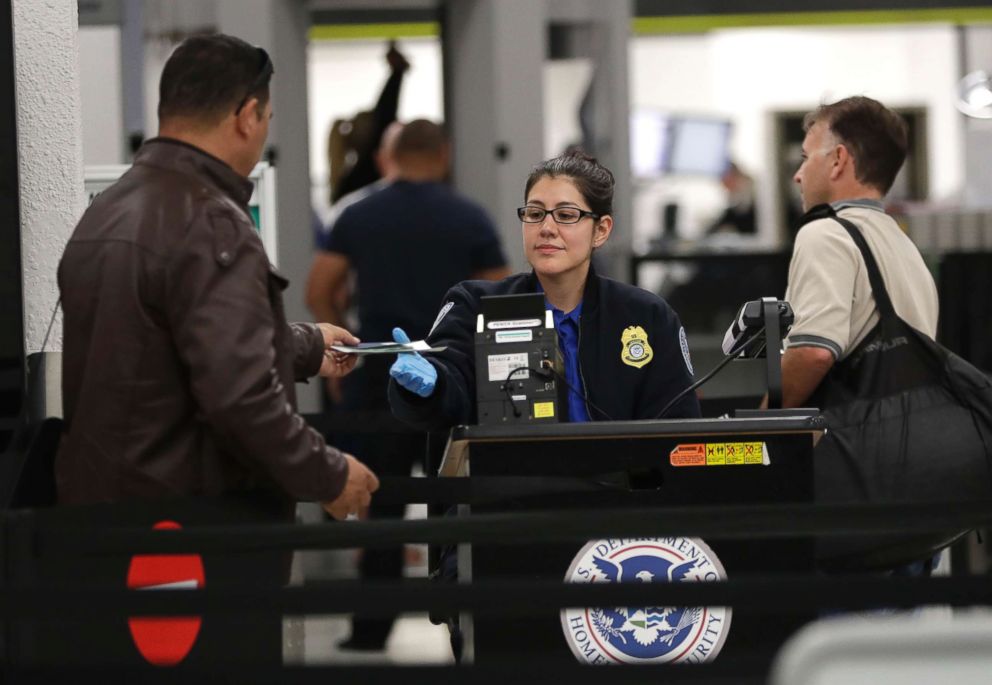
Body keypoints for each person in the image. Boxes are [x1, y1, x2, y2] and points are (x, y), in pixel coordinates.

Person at [56, 34, 379, 520]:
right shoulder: (210, 222)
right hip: (189, 527)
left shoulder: (106, 211)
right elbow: (240, 396)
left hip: (105, 519)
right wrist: (329, 475)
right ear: (247, 115)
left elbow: (165, 344)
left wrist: (307, 346)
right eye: (267, 121)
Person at [313, 118, 510, 651]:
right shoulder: (468, 217)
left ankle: (369, 633)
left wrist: (345, 350)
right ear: (443, 156)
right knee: (458, 499)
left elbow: (320, 290)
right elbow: (501, 300)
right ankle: (472, 627)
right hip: (456, 377)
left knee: (383, 502)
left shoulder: (357, 214)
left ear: (389, 156)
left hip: (380, 375)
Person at [389, 149, 701, 431]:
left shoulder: (646, 315)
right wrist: (432, 385)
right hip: (511, 488)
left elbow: (678, 423)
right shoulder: (475, 304)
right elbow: (448, 389)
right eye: (535, 214)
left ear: (601, 230)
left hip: (619, 489)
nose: (547, 228)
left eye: (566, 215)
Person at [776, 96, 937, 410]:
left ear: (838, 160)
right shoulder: (904, 244)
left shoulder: (825, 233)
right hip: (912, 438)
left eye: (806, 157)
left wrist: (764, 424)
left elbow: (813, 352)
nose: (798, 174)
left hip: (851, 445)